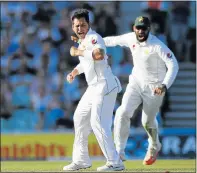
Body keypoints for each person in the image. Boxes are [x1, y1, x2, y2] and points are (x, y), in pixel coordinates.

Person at [103, 16, 179, 165]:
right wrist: (91, 42)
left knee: (147, 121)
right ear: (134, 28)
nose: (140, 31)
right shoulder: (131, 38)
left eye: (144, 28)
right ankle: (120, 151)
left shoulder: (157, 45)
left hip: (154, 87)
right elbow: (113, 40)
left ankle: (154, 145)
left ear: (149, 29)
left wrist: (164, 85)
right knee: (122, 112)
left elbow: (173, 65)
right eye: (138, 28)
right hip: (136, 82)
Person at [62, 9, 124, 171]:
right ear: (73, 26)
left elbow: (99, 55)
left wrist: (78, 51)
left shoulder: (95, 38)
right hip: (93, 87)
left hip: (105, 85)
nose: (79, 29)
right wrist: (74, 72)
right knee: (79, 118)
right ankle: (81, 160)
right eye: (76, 26)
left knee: (98, 123)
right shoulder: (82, 41)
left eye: (83, 25)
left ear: (89, 24)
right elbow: (86, 63)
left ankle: (115, 162)